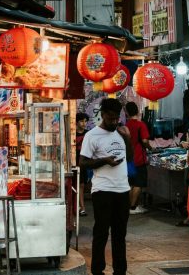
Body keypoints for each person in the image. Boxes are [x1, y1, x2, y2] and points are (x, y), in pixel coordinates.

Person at [80, 98, 130, 275]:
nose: (114, 122)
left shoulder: (120, 133)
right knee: (101, 232)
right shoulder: (91, 135)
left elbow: (128, 157)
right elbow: (83, 162)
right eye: (110, 118)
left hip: (123, 190)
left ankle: (120, 270)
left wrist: (127, 138)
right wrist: (104, 161)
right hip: (103, 191)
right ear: (102, 115)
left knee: (120, 234)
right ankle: (97, 270)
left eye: (116, 118)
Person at [124, 102, 151, 214]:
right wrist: (150, 147)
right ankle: (133, 207)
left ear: (126, 112)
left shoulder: (126, 125)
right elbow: (144, 141)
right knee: (138, 184)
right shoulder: (141, 125)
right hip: (139, 158)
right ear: (138, 111)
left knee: (130, 183)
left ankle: (128, 206)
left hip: (128, 159)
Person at [76, 112, 90, 217]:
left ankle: (81, 207)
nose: (84, 123)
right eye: (81, 121)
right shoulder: (72, 133)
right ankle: (81, 207)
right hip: (74, 160)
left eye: (85, 121)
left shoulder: (88, 134)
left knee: (82, 185)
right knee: (77, 184)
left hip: (84, 162)